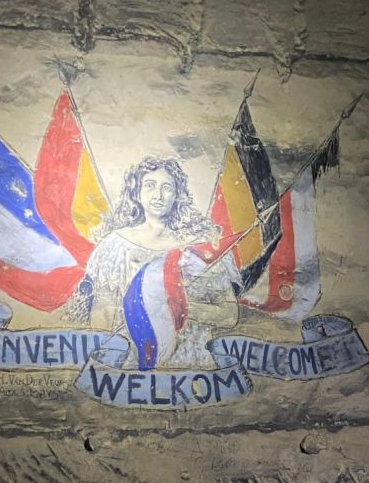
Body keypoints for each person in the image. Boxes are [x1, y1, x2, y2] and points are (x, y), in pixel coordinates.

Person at [66, 156, 239, 367]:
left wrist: (181, 308)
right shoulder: (115, 245)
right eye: (150, 185)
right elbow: (100, 313)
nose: (158, 195)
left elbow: (229, 315)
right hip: (131, 363)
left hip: (188, 365)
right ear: (136, 193)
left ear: (177, 196)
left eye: (167, 188)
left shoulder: (198, 248)